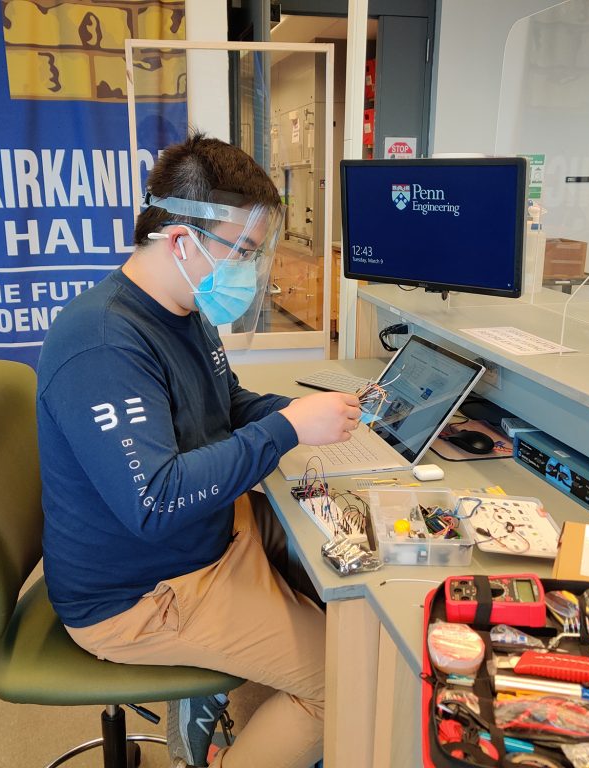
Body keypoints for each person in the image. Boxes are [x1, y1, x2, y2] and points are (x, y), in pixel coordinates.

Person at [36, 134, 361, 768]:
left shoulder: (182, 308)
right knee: (348, 680)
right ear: (181, 240)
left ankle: (223, 690)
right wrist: (289, 429)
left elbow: (224, 403)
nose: (252, 269)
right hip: (139, 593)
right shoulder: (104, 344)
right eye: (243, 250)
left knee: (340, 560)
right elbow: (153, 502)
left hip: (200, 544)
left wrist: (304, 417)